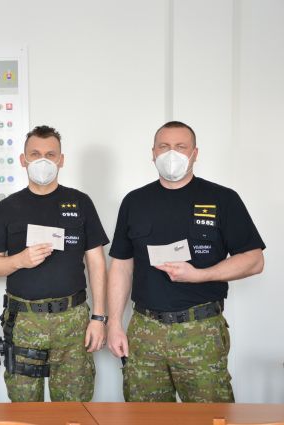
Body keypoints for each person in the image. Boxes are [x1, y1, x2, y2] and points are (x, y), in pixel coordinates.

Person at [107, 121, 265, 402]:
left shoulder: (223, 199)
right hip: (145, 330)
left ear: (195, 153)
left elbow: (254, 260)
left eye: (181, 147)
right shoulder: (135, 201)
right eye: (164, 146)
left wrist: (199, 275)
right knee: (145, 419)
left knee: (210, 416)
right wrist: (114, 323)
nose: (172, 153)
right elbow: (121, 265)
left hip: (200, 330)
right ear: (153, 153)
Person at [0, 125, 109, 402]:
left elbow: (97, 262)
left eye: (50, 154)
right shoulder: (8, 207)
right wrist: (20, 260)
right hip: (24, 321)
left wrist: (99, 318)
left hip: (73, 320)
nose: (43, 160)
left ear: (61, 160)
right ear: (23, 159)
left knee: (74, 409)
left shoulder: (80, 202)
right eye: (35, 154)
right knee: (25, 409)